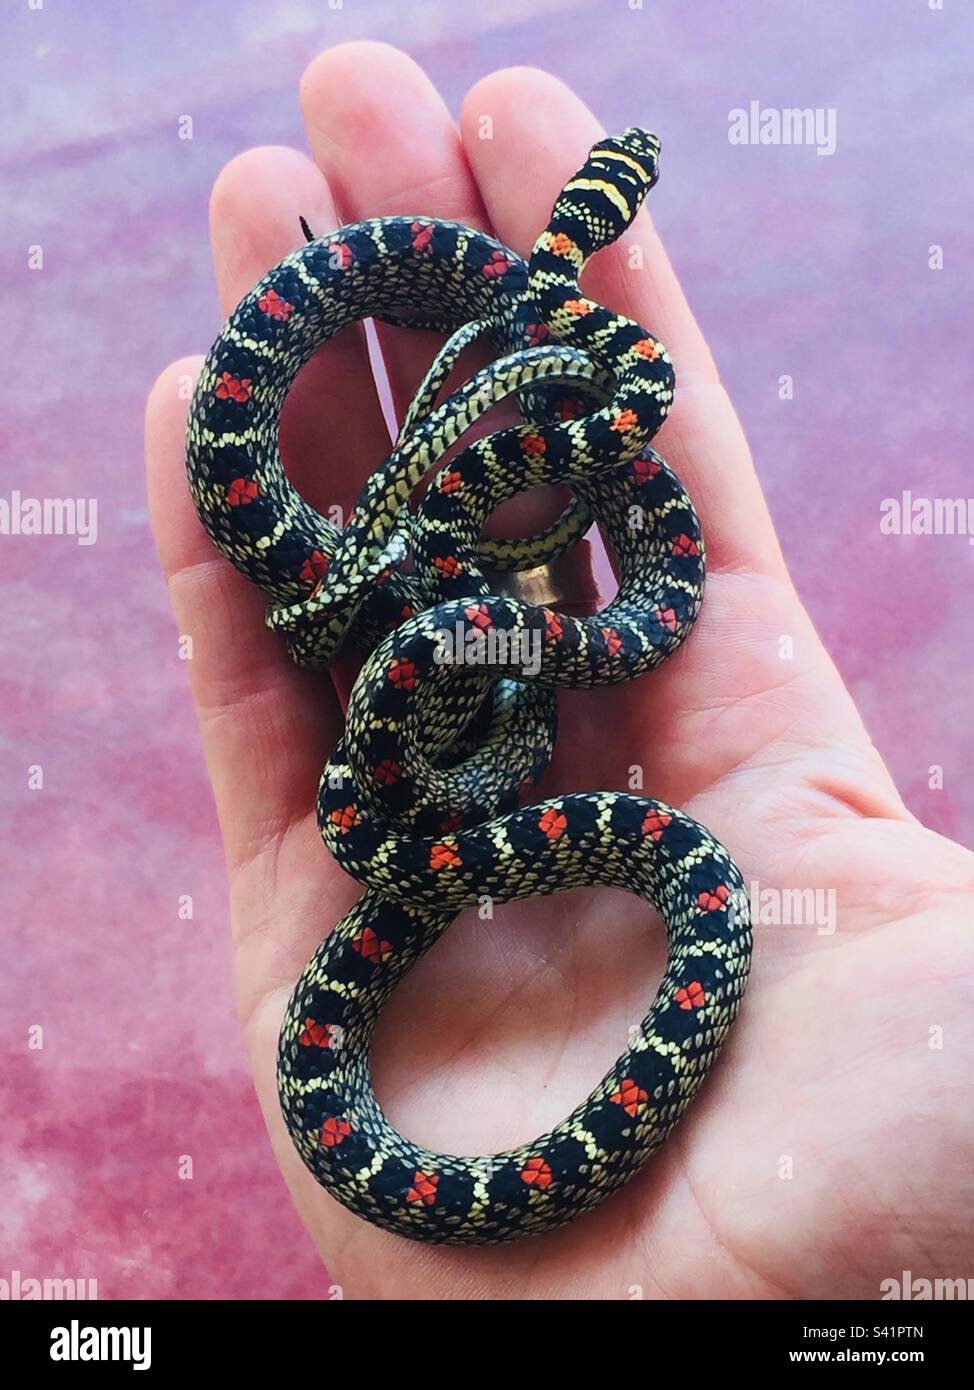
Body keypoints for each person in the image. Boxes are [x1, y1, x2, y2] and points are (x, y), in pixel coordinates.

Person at [145, 41, 974, 1300]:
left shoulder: (609, 392)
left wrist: (465, 596)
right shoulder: (580, 378)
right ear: (597, 227)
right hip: (445, 667)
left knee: (532, 735)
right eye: (621, 183)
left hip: (463, 638)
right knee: (483, 712)